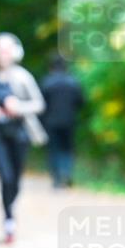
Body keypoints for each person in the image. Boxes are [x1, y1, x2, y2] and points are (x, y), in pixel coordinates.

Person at [0, 32, 46, 243]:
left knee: (15, 180)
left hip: (20, 135)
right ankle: (9, 219)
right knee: (5, 177)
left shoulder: (23, 77)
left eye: (7, 50)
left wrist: (19, 107)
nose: (3, 54)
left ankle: (11, 206)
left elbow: (39, 104)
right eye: (0, 50)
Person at [40, 54, 85, 188]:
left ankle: (57, 178)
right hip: (69, 121)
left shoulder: (47, 82)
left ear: (51, 67)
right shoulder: (73, 82)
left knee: (54, 149)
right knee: (67, 148)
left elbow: (41, 104)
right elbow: (81, 102)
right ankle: (67, 173)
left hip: (51, 122)